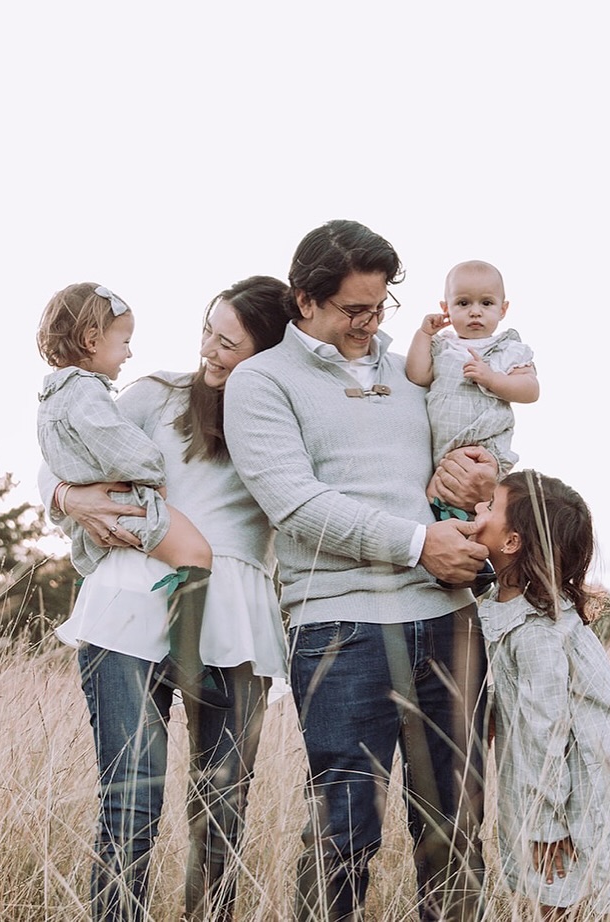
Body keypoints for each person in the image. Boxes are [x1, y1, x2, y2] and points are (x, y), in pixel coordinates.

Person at [223, 220, 498, 922]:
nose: (370, 325)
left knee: (456, 835)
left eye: (380, 309)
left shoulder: (412, 371)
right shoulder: (260, 383)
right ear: (303, 301)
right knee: (343, 836)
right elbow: (296, 504)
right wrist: (417, 543)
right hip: (340, 629)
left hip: (449, 623)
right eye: (354, 311)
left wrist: (469, 477)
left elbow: (457, 453)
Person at [40, 275, 291, 922]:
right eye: (208, 330)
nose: (209, 349)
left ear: (267, 354)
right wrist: (66, 497)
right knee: (130, 800)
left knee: (223, 807)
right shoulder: (156, 393)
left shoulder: (287, 420)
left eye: (228, 343)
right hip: (130, 600)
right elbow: (62, 443)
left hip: (235, 617)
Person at [472, 470, 610, 919]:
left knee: (562, 889)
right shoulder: (511, 606)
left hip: (577, 784)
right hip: (569, 775)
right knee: (568, 890)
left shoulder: (535, 629)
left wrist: (547, 822)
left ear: (511, 543)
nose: (477, 509)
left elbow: (545, 728)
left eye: (490, 505)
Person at [35, 280, 217, 704]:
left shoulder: (53, 392)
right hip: (126, 503)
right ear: (91, 340)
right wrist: (153, 469)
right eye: (125, 341)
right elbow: (113, 438)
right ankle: (186, 658)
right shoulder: (85, 391)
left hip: (106, 508)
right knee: (196, 553)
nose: (130, 353)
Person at [405, 260, 538, 520]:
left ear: (503, 309)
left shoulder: (508, 349)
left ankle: (477, 527)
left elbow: (530, 390)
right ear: (446, 308)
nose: (475, 312)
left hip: (485, 444)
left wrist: (492, 379)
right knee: (440, 497)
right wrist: (423, 334)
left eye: (486, 303)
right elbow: (417, 375)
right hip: (441, 450)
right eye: (463, 303)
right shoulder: (442, 346)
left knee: (474, 497)